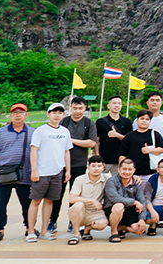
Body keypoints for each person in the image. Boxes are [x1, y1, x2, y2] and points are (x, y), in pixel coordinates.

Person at [50, 96, 98, 234]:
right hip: (60, 164)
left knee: (75, 195)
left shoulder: (89, 123)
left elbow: (91, 143)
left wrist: (70, 140)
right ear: (70, 108)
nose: (77, 111)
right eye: (75, 108)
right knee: (57, 194)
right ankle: (53, 221)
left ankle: (73, 221)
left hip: (79, 163)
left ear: (85, 108)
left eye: (80, 108)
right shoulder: (64, 121)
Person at [0, 103, 33, 242]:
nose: (18, 115)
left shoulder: (33, 132)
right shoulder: (0, 133)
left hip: (25, 174)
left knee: (27, 203)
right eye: (15, 112)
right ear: (10, 115)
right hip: (3, 174)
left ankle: (29, 227)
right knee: (0, 203)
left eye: (21, 112)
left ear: (26, 115)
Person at [26, 102, 72, 242]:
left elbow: (66, 151)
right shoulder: (41, 130)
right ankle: (31, 231)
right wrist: (34, 170)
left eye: (60, 112)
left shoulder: (65, 131)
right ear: (48, 114)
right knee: (35, 201)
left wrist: (67, 170)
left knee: (49, 201)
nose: (57, 115)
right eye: (54, 112)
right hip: (41, 172)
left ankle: (45, 230)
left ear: (63, 115)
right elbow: (33, 150)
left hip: (57, 172)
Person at [67, 155, 110, 245]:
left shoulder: (106, 178)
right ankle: (76, 234)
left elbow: (120, 179)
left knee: (102, 224)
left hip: (95, 212)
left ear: (103, 167)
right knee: (79, 205)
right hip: (80, 211)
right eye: (93, 166)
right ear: (88, 167)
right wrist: (92, 201)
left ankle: (86, 230)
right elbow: (72, 198)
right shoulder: (80, 179)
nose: (96, 169)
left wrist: (135, 178)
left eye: (99, 166)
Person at [103, 158, 148, 242]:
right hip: (113, 210)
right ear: (119, 169)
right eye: (124, 169)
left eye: (129, 169)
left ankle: (122, 227)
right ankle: (114, 232)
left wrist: (142, 219)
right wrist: (134, 202)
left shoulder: (136, 182)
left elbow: (142, 201)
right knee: (119, 206)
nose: (127, 172)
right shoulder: (112, 181)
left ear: (134, 170)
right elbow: (114, 198)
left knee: (139, 230)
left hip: (128, 210)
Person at [118, 110, 163, 176]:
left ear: (150, 121)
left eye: (147, 119)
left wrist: (150, 150)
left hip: (151, 173)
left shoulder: (154, 134)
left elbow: (162, 149)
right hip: (132, 173)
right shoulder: (129, 136)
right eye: (142, 119)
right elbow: (122, 154)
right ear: (137, 120)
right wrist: (121, 169)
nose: (144, 121)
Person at [95, 95, 132, 176]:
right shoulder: (100, 122)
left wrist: (117, 135)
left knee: (118, 185)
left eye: (119, 103)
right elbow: (96, 141)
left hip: (119, 160)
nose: (117, 105)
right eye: (114, 103)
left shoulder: (127, 122)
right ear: (108, 106)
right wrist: (98, 159)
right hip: (104, 160)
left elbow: (129, 141)